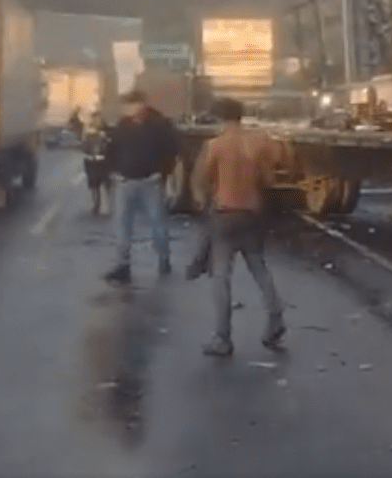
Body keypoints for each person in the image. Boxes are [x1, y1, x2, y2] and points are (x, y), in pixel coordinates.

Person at [190, 97, 285, 357]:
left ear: (220, 118)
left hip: (225, 215)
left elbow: (200, 182)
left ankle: (222, 338)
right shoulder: (259, 140)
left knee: (220, 277)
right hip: (253, 213)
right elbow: (272, 171)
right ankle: (276, 316)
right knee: (259, 267)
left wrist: (205, 199)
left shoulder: (215, 145)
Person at [103, 90, 179, 284]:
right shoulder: (122, 126)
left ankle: (164, 260)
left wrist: (163, 174)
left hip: (150, 182)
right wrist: (114, 171)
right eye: (125, 105)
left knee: (157, 224)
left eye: (130, 104)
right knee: (121, 225)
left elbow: (172, 151)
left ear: (142, 104)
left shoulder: (159, 125)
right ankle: (123, 266)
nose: (127, 109)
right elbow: (111, 149)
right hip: (124, 182)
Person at [81, 111, 113, 216]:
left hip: (104, 162)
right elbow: (84, 145)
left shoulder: (106, 129)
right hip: (92, 162)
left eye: (98, 117)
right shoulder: (89, 129)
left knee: (107, 185)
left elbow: (110, 144)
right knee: (94, 185)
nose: (96, 120)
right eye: (95, 117)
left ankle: (110, 207)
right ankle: (96, 206)